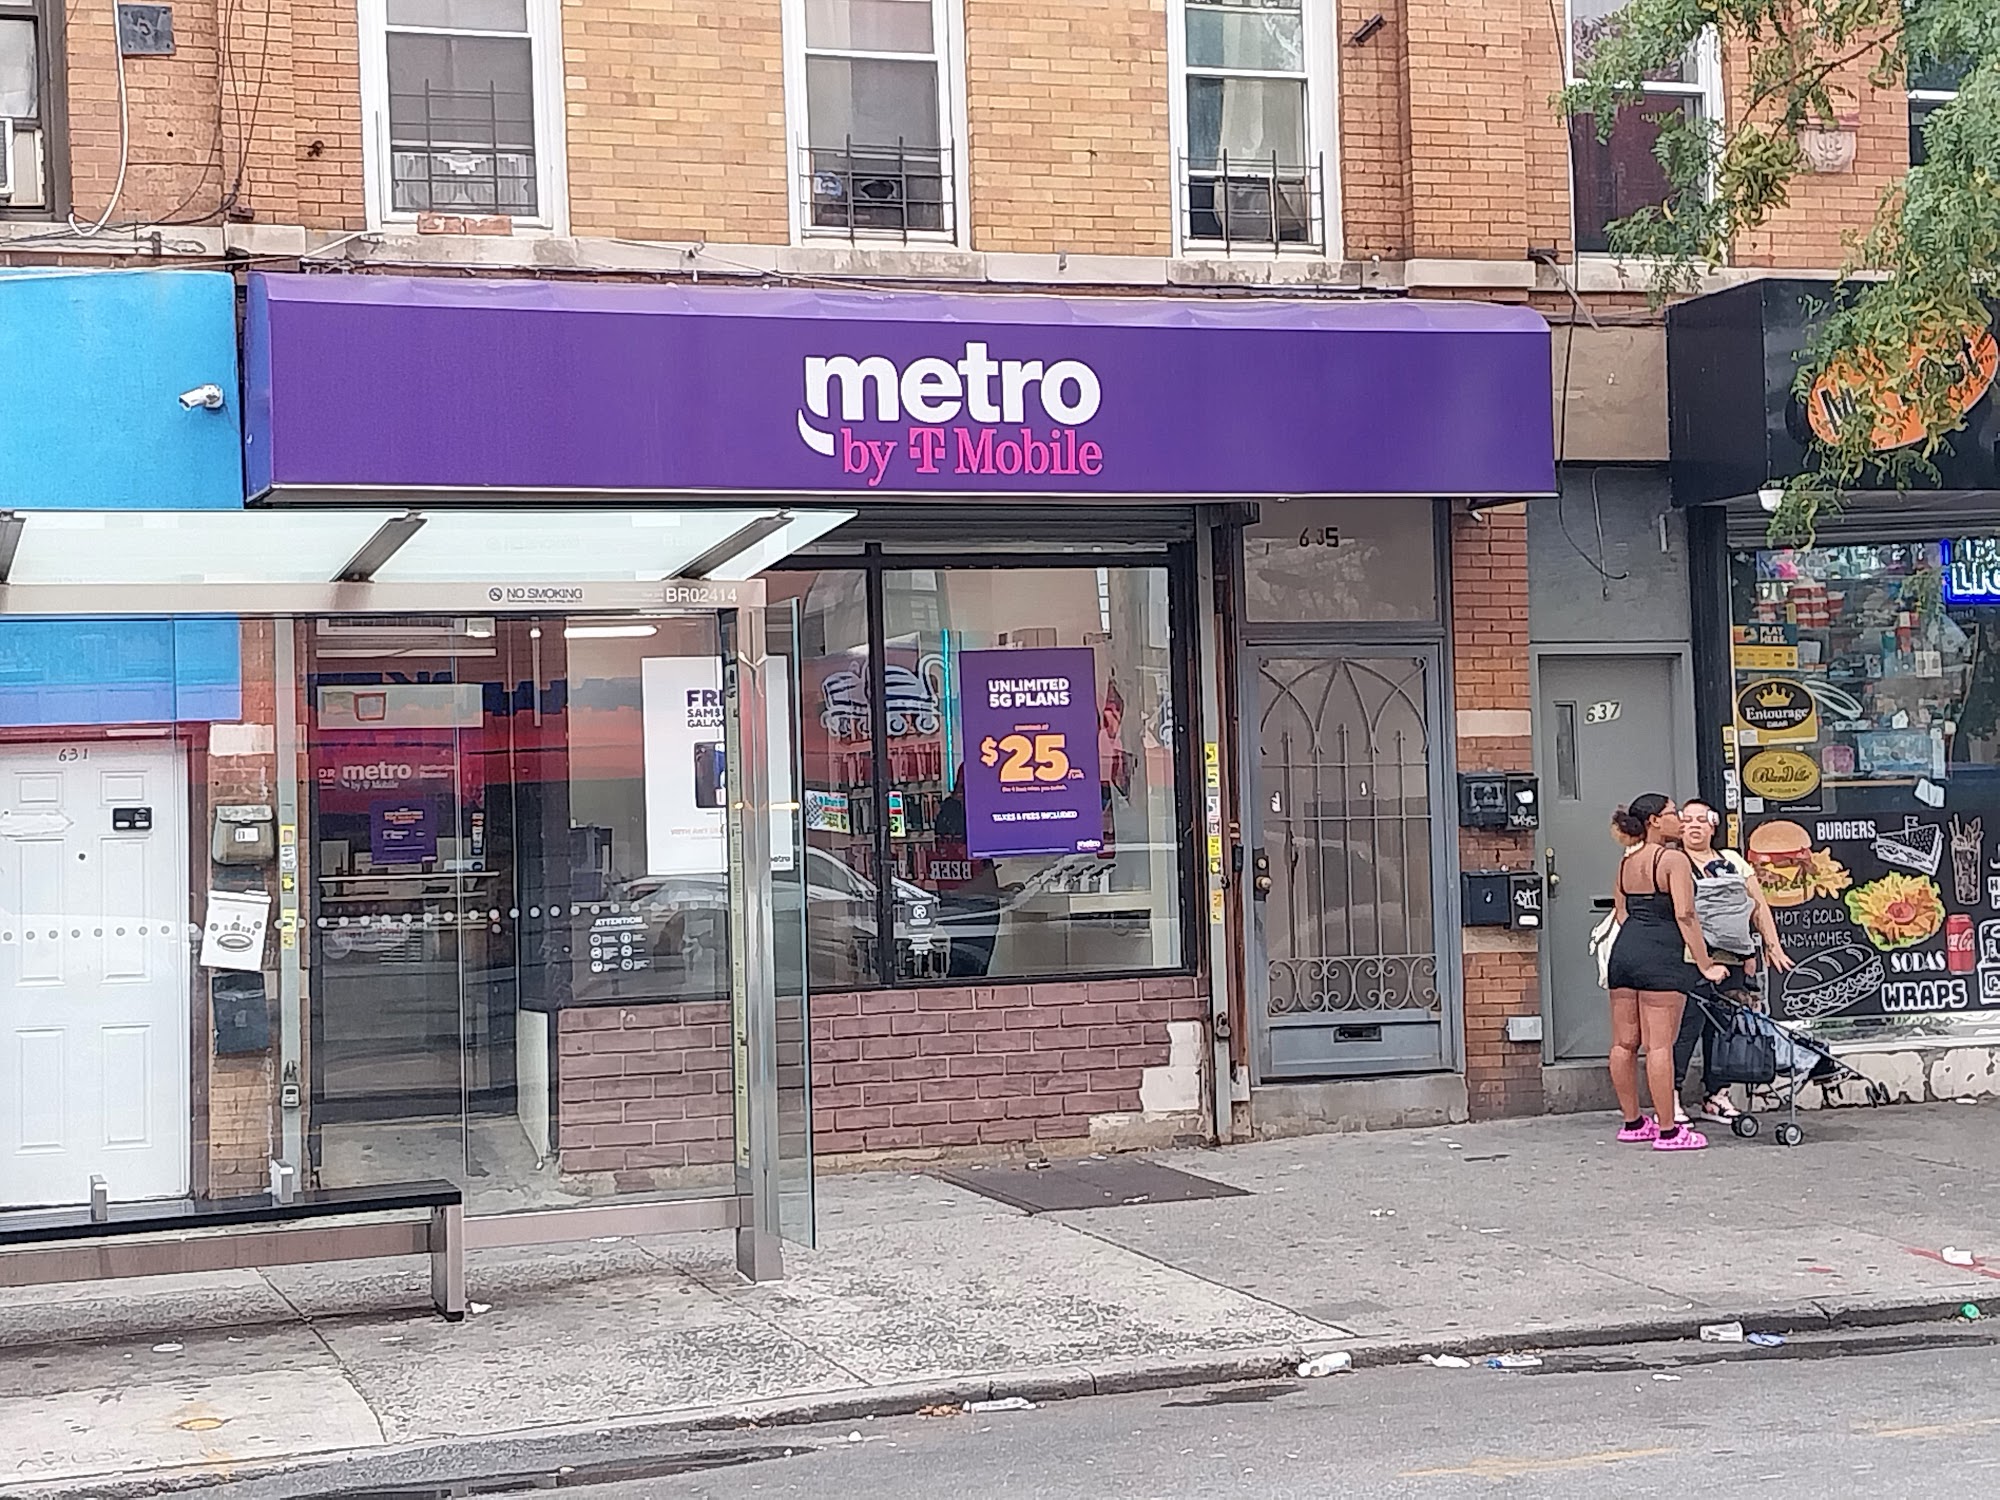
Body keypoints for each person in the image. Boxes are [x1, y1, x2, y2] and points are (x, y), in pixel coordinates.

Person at [1606, 794, 1728, 1151]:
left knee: (1624, 1043)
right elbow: (1685, 914)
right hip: (1661, 955)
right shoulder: (1673, 859)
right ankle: (1669, 1131)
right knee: (1659, 1045)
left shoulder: (1626, 861)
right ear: (1655, 821)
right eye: (1674, 814)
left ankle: (1632, 1122)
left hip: (1624, 952)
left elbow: (1621, 911)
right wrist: (1706, 964)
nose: (1682, 820)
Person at [1673, 799, 1794, 1125]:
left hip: (1733, 959)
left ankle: (1716, 1095)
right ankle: (1671, 1096)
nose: (1694, 826)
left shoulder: (1732, 861)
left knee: (1725, 1029)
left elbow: (1757, 905)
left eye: (1701, 820)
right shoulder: (1675, 861)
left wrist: (1770, 945)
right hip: (1691, 959)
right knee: (1687, 1027)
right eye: (1688, 820)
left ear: (1713, 825)